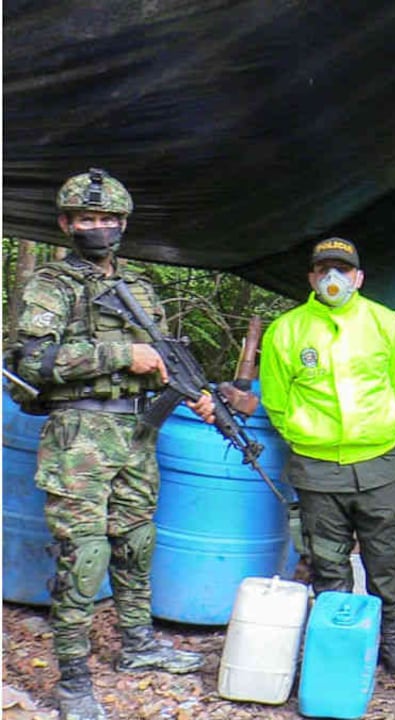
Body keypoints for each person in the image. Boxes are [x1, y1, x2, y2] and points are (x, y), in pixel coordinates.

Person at [9, 169, 216, 720]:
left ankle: (138, 647)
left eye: (106, 219)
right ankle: (75, 682)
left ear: (123, 225)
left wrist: (192, 392)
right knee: (85, 556)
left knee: (135, 542)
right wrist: (121, 355)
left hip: (138, 432)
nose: (97, 227)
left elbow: (163, 361)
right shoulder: (52, 286)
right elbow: (29, 364)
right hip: (80, 436)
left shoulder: (142, 287)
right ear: (66, 224)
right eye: (86, 218)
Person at [258, 237, 395, 678]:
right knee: (329, 565)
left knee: (385, 561)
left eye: (342, 270)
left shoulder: (386, 323)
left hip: (378, 464)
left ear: (359, 277)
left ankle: (389, 643)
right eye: (324, 269)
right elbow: (276, 400)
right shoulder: (287, 330)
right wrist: (309, 437)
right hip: (316, 468)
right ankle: (342, 648)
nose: (333, 278)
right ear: (311, 277)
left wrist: (381, 428)